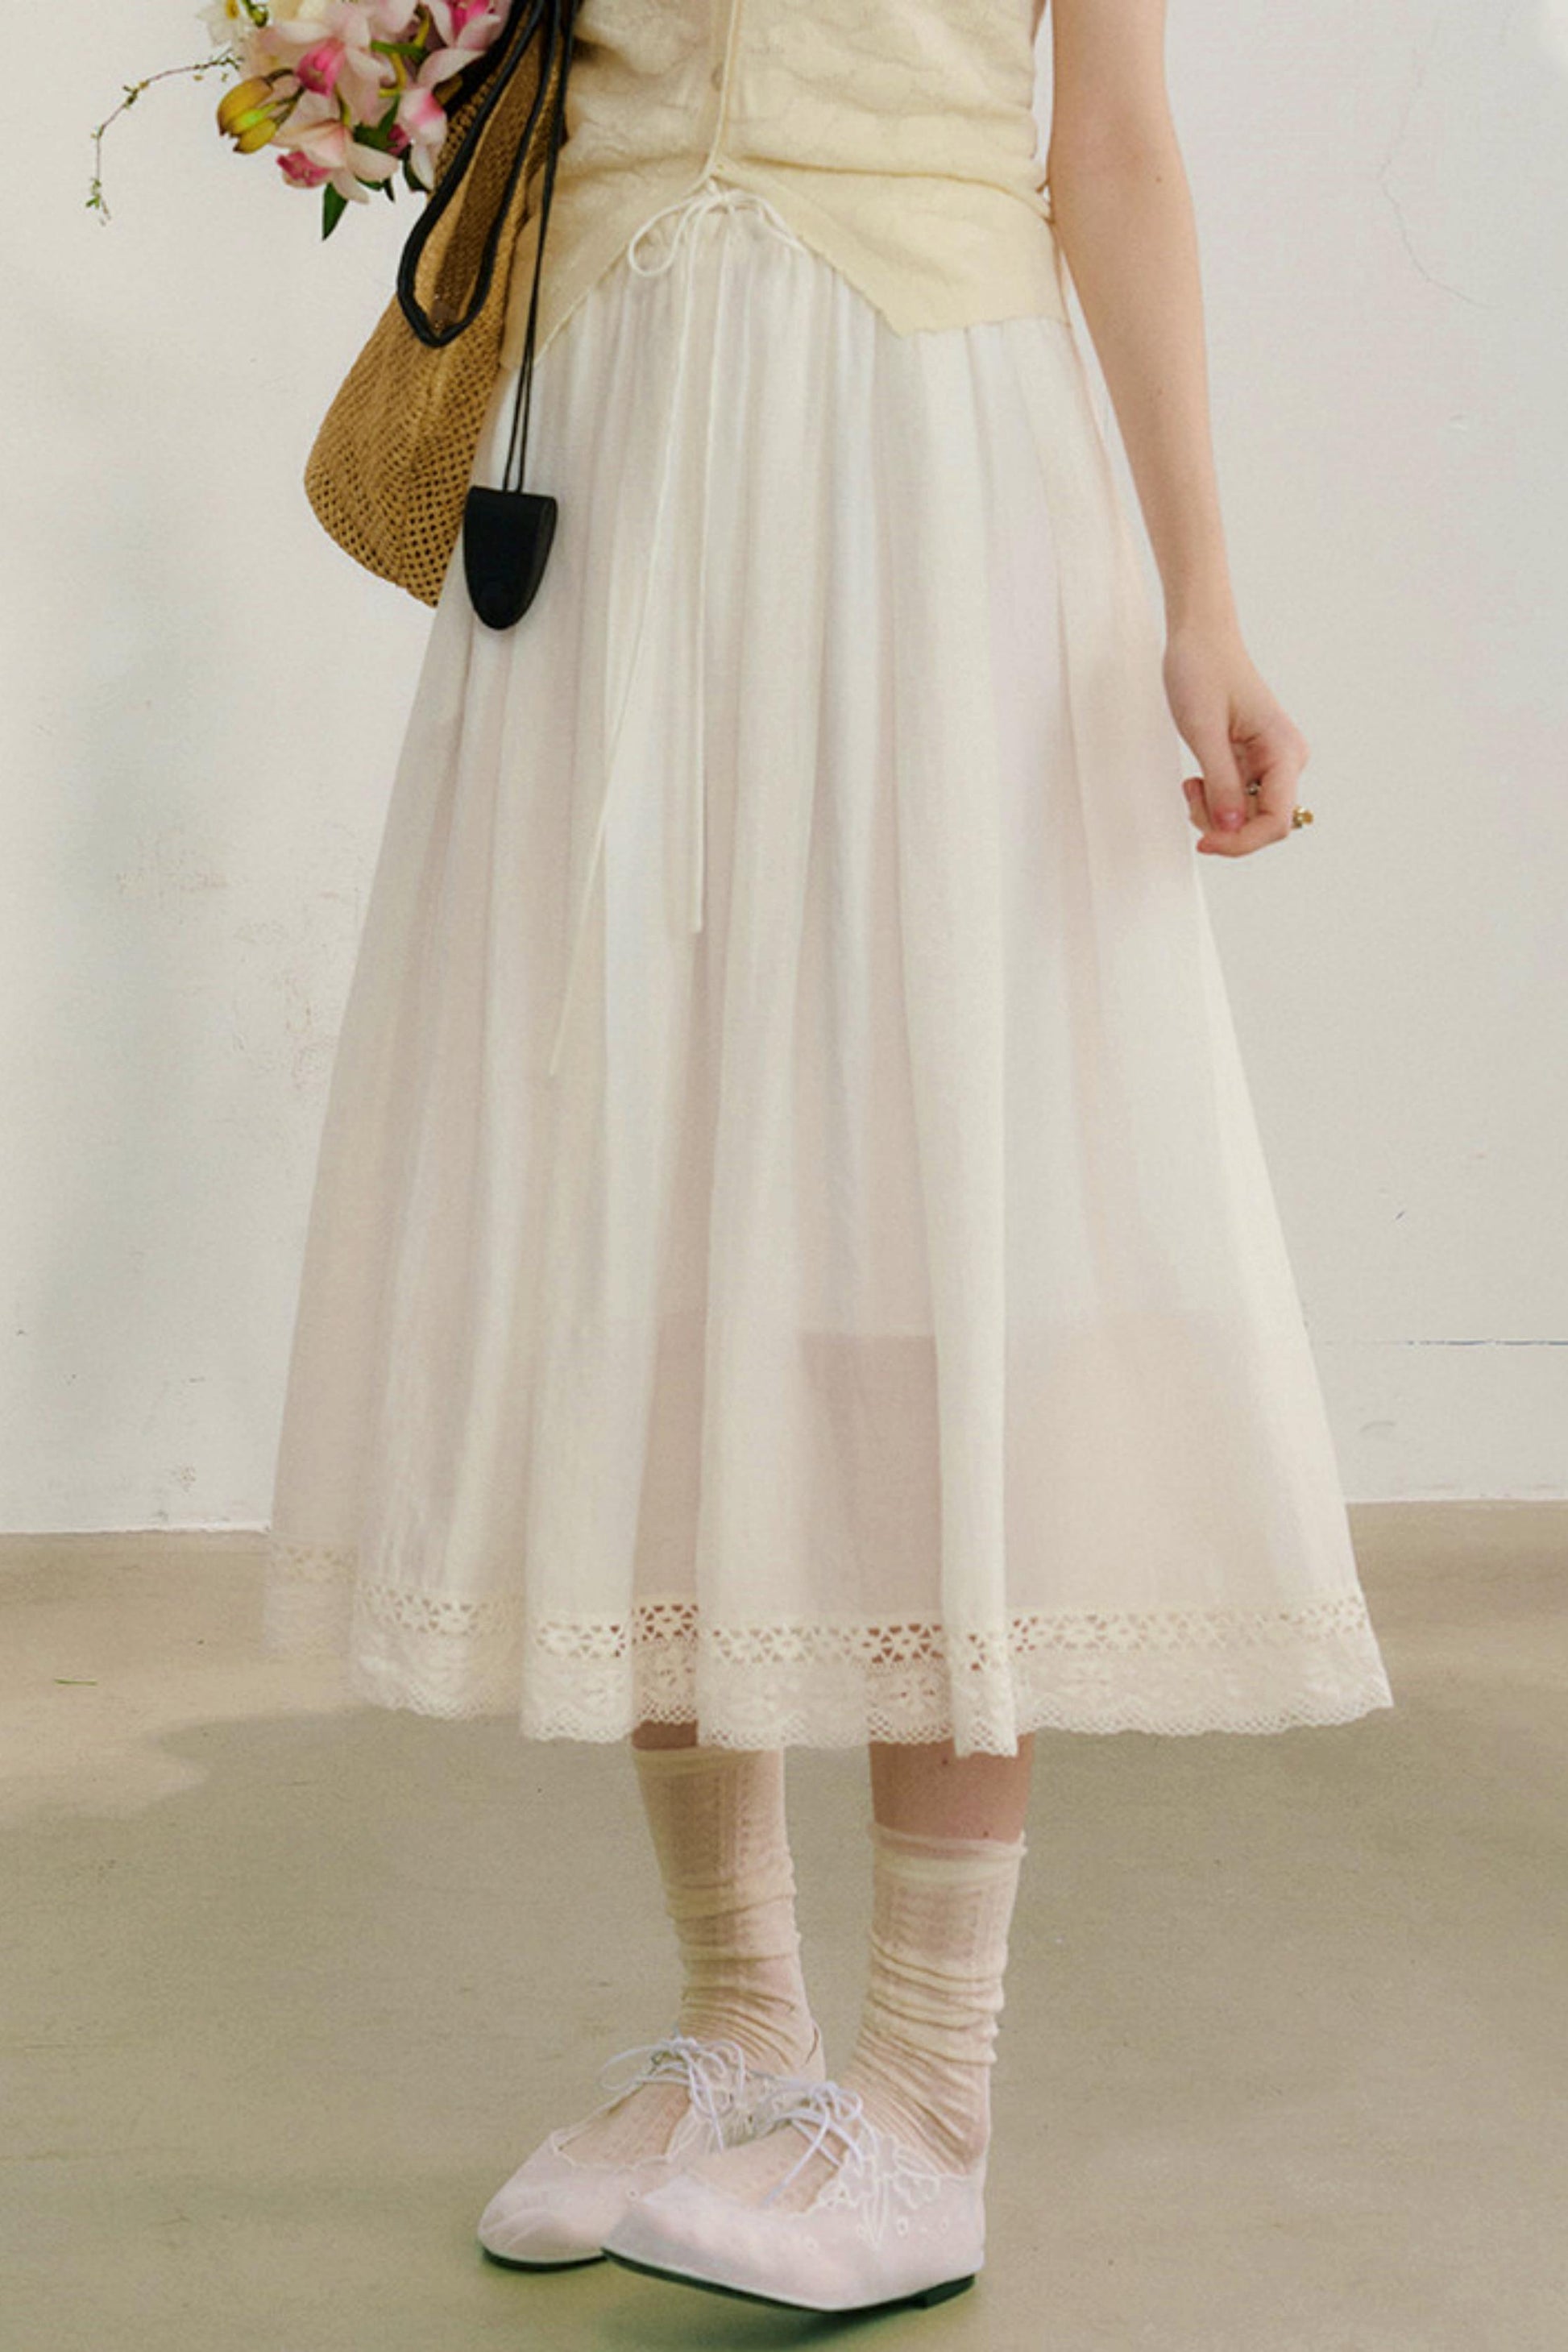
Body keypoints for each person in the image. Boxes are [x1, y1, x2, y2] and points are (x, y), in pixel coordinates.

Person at [262, 0, 1394, 2317]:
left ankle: (933, 2094)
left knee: (912, 1218)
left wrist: (1202, 599)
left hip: (921, 466)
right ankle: (747, 2030)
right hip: (615, 457)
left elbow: (1113, 149)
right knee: (643, 1211)